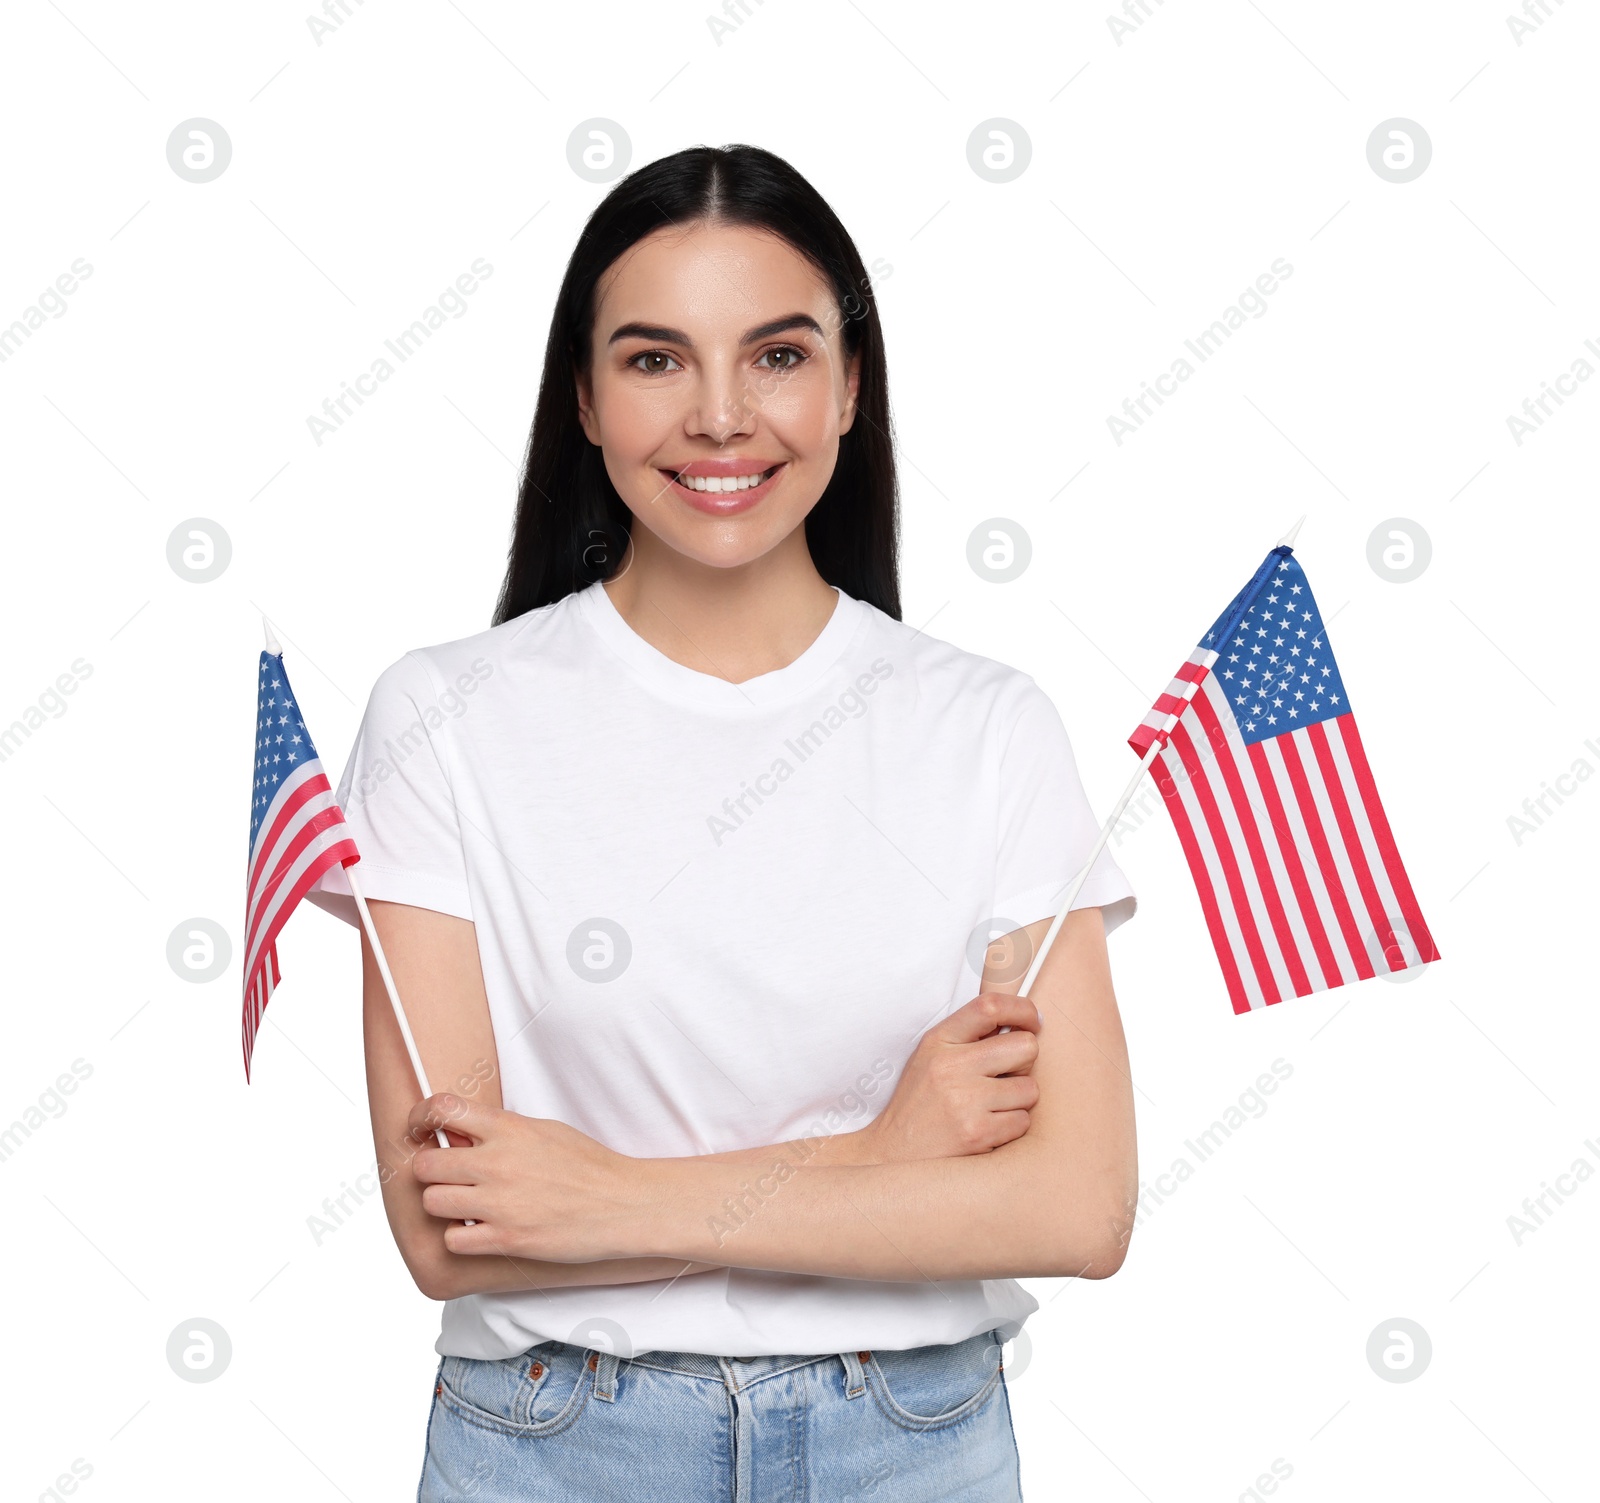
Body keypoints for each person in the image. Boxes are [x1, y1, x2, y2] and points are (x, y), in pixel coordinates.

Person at [307, 141, 1139, 1503]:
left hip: (911, 1444)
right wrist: (879, 1155)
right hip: (553, 1445)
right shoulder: (444, 717)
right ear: (581, 397)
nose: (719, 417)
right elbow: (454, 1233)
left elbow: (1074, 1207)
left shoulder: (987, 727)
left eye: (777, 355)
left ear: (850, 384)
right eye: (653, 360)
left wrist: (606, 1202)